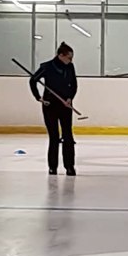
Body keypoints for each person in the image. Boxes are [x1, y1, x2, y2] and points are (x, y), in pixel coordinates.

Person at [30, 42, 78, 176]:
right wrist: (38, 97)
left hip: (65, 105)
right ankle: (53, 167)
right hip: (50, 105)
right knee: (54, 137)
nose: (71, 60)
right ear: (60, 55)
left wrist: (70, 97)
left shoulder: (70, 67)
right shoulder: (47, 67)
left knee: (68, 136)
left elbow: (73, 84)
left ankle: (70, 166)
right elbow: (33, 80)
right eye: (69, 57)